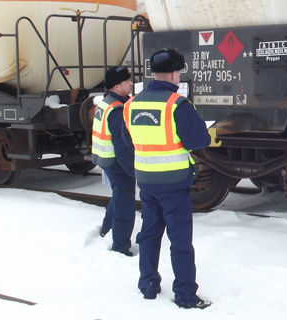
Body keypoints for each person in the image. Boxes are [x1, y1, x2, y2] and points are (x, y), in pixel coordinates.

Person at [122, 48, 213, 309]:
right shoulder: (176, 104)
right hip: (174, 184)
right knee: (180, 241)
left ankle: (148, 284)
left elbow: (128, 140)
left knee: (149, 234)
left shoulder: (131, 104)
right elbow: (198, 140)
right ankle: (185, 295)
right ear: (175, 73)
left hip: (147, 182)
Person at [91, 66, 136, 257]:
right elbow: (122, 147)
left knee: (118, 194)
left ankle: (106, 227)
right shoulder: (117, 110)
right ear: (117, 86)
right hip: (117, 163)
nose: (131, 84)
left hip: (104, 159)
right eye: (127, 82)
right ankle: (120, 247)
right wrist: (133, 171)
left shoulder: (106, 103)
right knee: (125, 205)